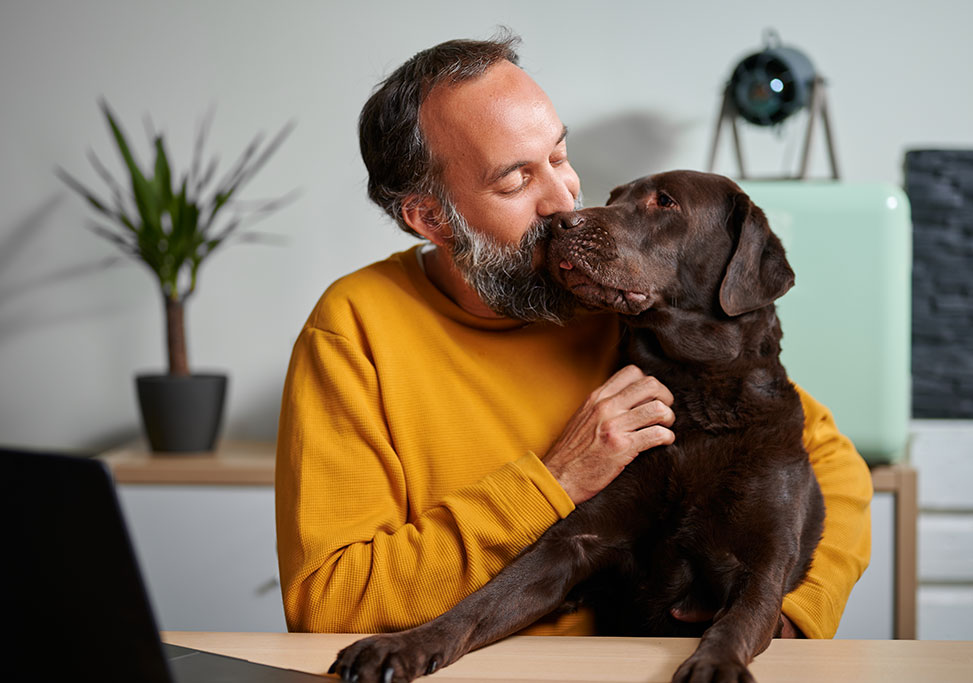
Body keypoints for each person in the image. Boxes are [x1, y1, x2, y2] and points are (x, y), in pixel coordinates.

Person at [275, 32, 872, 640]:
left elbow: (832, 465)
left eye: (560, 157)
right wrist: (552, 484)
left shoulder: (624, 299)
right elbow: (328, 602)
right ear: (431, 218)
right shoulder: (355, 329)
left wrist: (789, 616)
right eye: (515, 181)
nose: (563, 202)